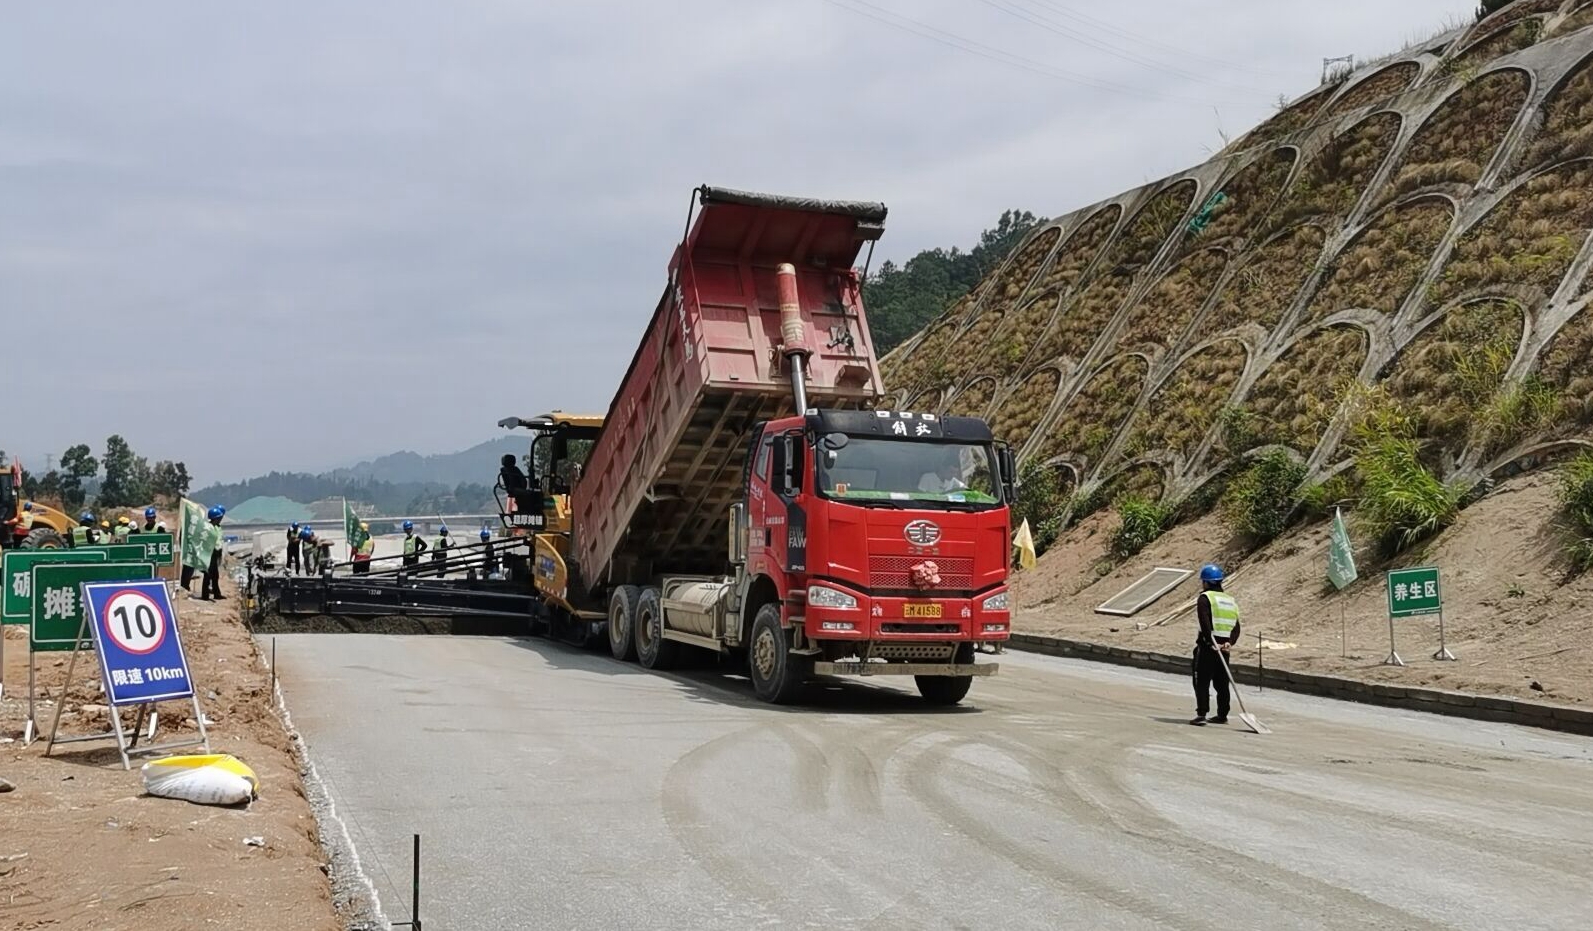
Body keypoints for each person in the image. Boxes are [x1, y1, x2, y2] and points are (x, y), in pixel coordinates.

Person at [1191, 563, 1242, 726]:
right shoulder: (1230, 600)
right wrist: (1229, 643)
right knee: (1222, 682)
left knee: (1202, 680)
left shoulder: (1205, 598)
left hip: (1208, 646)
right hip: (1224, 647)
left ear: (1205, 582)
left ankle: (1201, 714)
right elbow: (1236, 626)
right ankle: (1222, 714)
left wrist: (1209, 641)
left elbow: (1204, 621)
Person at [200, 505, 226, 600]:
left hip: (214, 552)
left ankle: (216, 593)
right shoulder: (208, 528)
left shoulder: (216, 527)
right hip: (208, 553)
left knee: (215, 574)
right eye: (219, 518)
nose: (220, 520)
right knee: (208, 574)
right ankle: (205, 595)